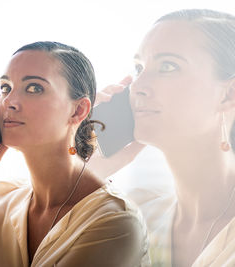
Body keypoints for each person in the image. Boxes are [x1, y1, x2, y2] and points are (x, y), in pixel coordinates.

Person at [0, 41, 150, 267]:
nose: (9, 102)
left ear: (78, 110)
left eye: (34, 88)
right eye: (6, 88)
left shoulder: (115, 222)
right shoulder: (0, 200)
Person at [90, 9, 235, 267]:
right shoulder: (135, 216)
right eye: (138, 68)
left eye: (168, 66)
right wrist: (84, 174)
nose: (138, 86)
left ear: (228, 94)